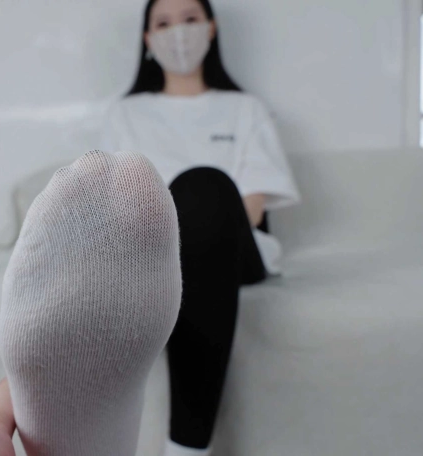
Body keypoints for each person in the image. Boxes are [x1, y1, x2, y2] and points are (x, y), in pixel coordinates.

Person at [100, 0, 301, 454]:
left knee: (204, 186)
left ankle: (184, 447)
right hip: (155, 252)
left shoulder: (245, 109)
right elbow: (117, 199)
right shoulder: (126, 114)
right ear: (148, 40)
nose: (179, 32)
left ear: (211, 28)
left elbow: (252, 208)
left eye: (190, 19)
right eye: (164, 23)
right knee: (195, 193)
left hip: (234, 251)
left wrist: (196, 219)